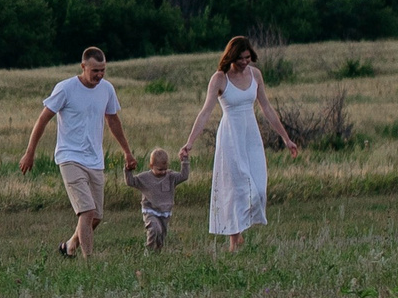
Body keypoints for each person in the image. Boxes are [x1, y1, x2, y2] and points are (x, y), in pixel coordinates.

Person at [178, 35, 300, 250]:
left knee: (259, 188)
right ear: (231, 57)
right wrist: (190, 142)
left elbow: (267, 108)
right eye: (241, 58)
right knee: (235, 187)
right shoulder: (219, 78)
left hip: (251, 134)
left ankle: (241, 227)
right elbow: (205, 112)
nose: (245, 62)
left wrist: (286, 138)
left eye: (248, 57)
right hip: (230, 136)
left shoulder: (256, 75)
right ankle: (235, 237)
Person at [17, 46, 135, 258]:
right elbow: (43, 119)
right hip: (69, 156)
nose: (99, 75)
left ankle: (70, 245)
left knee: (96, 216)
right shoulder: (66, 88)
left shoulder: (107, 89)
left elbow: (113, 120)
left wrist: (127, 152)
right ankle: (88, 261)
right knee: (87, 211)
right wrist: (29, 152)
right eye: (95, 71)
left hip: (95, 160)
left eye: (103, 70)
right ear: (83, 67)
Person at [126, 147, 190, 251]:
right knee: (154, 229)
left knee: (161, 236)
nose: (163, 172)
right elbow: (130, 181)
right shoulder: (145, 178)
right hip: (150, 210)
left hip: (165, 213)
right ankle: (149, 251)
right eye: (160, 169)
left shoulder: (170, 177)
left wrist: (185, 161)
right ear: (151, 166)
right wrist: (128, 170)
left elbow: (184, 176)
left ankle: (157, 253)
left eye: (165, 169)